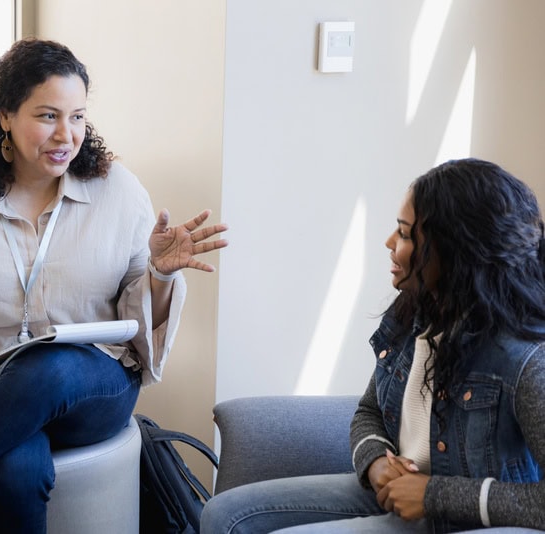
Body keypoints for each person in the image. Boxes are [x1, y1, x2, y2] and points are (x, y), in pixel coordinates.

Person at [0, 38, 227, 532]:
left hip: (93, 384)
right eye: (47, 116)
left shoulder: (119, 191)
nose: (66, 135)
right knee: (12, 467)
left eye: (78, 117)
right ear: (5, 115)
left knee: (49, 366)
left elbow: (137, 317)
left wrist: (160, 272)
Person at [200, 158, 545, 533]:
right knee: (222, 515)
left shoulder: (525, 357)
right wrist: (375, 461)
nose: (389, 242)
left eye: (406, 234)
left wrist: (433, 495)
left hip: (467, 521)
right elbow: (369, 410)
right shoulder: (411, 314)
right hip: (400, 497)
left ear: (456, 251)